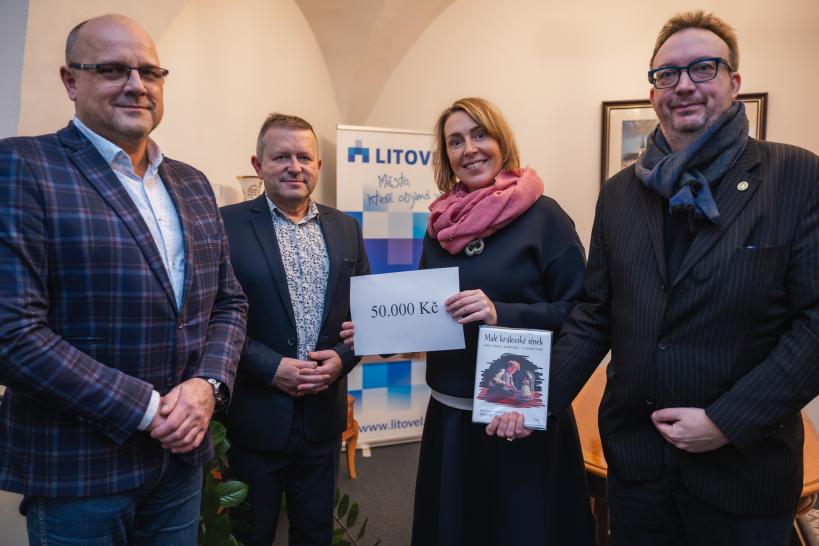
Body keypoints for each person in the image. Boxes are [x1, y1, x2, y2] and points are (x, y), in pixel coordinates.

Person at [538, 10, 819, 546]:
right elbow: (596, 313)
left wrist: (726, 421)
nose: (684, 85)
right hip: (638, 468)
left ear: (734, 83)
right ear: (653, 94)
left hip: (743, 472)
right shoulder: (619, 194)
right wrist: (535, 399)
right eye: (667, 74)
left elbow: (814, 325)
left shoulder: (797, 176)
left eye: (703, 68)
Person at [0, 14, 248, 544]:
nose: (137, 85)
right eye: (113, 70)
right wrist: (149, 409)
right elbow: (12, 333)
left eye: (150, 72)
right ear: (71, 81)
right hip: (80, 470)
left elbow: (228, 302)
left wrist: (208, 385)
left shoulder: (192, 183)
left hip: (179, 462)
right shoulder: (22, 166)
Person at [342, 97, 593, 545]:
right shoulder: (440, 227)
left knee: (521, 530)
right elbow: (428, 311)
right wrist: (381, 332)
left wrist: (501, 313)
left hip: (517, 411)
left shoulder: (544, 216)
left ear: (501, 142)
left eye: (480, 135)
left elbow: (581, 312)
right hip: (452, 413)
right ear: (446, 155)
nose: (469, 149)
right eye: (455, 141)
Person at [220, 113, 370, 546]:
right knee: (251, 536)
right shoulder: (224, 224)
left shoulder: (346, 228)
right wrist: (271, 368)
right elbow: (213, 316)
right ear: (258, 164)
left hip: (323, 419)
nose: (294, 167)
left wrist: (341, 359)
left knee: (315, 533)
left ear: (318, 165)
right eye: (281, 157)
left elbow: (368, 317)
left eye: (304, 157)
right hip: (254, 418)